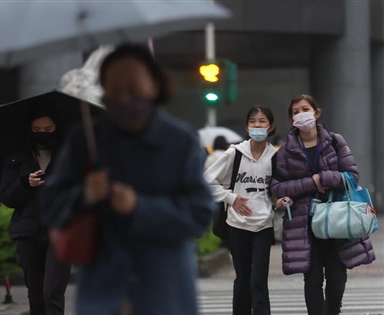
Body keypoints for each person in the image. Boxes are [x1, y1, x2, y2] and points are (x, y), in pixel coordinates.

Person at [41, 43, 215, 315]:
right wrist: (84, 195)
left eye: (133, 88)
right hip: (103, 293)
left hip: (163, 292)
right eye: (115, 90)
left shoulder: (180, 141)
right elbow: (50, 206)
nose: (124, 99)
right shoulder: (85, 140)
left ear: (155, 86)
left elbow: (200, 213)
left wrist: (139, 207)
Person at [271, 94, 375, 315]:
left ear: (316, 112)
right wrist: (312, 183)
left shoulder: (335, 141)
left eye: (305, 109)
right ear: (291, 119)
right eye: (296, 111)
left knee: (337, 277)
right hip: (304, 223)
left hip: (336, 219)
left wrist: (325, 179)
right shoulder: (285, 152)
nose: (301, 114)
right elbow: (278, 187)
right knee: (313, 279)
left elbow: (352, 176)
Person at [204, 106, 277, 315]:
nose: (257, 125)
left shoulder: (275, 157)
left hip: (264, 224)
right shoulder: (234, 153)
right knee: (243, 278)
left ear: (270, 127)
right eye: (253, 121)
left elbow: (279, 187)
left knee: (259, 280)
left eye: (262, 121)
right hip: (236, 224)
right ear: (247, 126)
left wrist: (281, 199)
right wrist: (231, 198)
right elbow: (207, 180)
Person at [0, 108, 71, 315]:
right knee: (36, 295)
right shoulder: (16, 158)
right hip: (28, 231)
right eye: (37, 129)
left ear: (57, 128)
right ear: (28, 130)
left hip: (61, 230)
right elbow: (6, 197)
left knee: (52, 292)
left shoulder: (70, 155)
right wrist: (25, 183)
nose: (42, 133)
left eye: (48, 128)